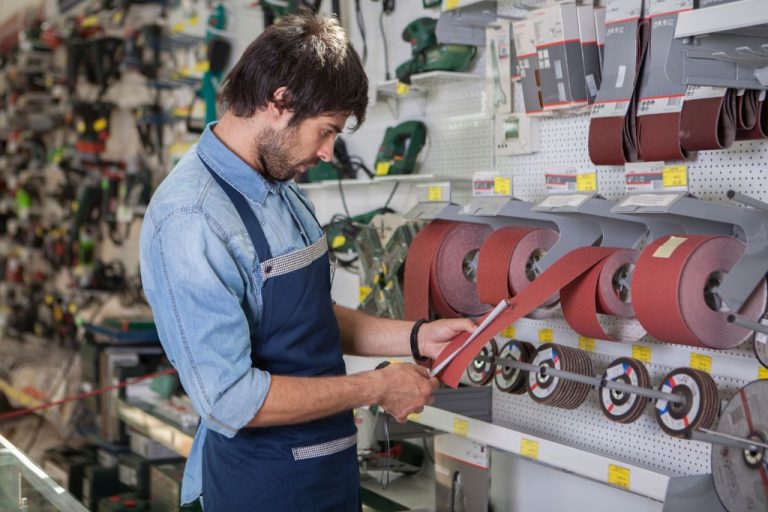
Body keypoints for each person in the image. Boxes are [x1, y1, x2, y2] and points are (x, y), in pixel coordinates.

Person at [139, 11, 475, 511]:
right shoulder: (191, 218)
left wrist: (414, 336)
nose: (327, 152)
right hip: (257, 488)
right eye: (326, 130)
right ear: (280, 100)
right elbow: (230, 399)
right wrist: (378, 386)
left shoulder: (281, 190)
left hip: (326, 476)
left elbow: (304, 317)